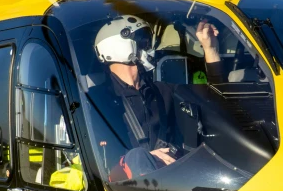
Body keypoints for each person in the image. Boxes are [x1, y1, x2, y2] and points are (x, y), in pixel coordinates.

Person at [93, 15, 223, 181]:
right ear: (117, 47)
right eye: (143, 42)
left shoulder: (163, 90)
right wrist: (147, 157)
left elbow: (212, 99)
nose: (149, 48)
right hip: (122, 189)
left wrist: (211, 50)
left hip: (171, 177)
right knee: (138, 156)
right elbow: (97, 158)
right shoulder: (96, 100)